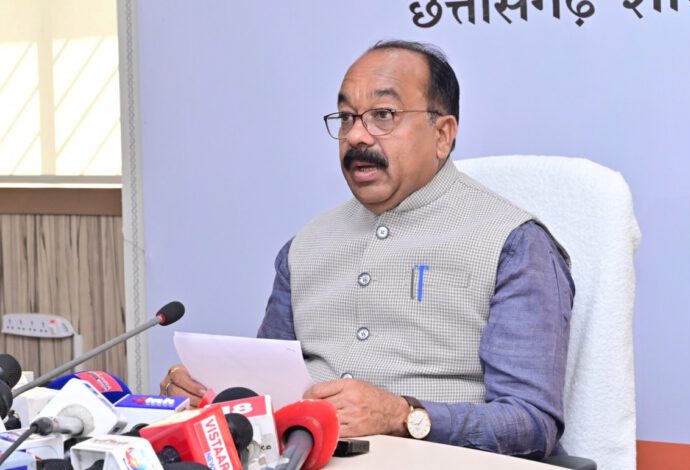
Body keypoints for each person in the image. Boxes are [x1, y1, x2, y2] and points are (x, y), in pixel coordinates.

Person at [161, 40, 573, 459]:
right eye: (346, 117)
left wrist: (403, 416)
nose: (356, 135)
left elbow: (531, 422)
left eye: (383, 115)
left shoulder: (514, 244)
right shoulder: (304, 246)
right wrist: (209, 395)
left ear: (442, 134)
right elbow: (266, 394)